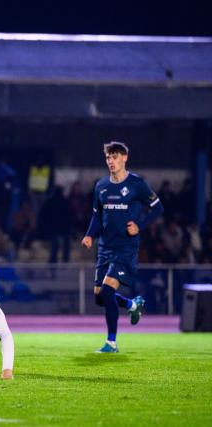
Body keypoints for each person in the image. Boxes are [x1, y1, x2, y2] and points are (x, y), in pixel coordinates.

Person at [82, 141, 164, 353]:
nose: (111, 161)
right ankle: (132, 305)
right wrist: (90, 235)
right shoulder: (101, 186)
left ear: (125, 158)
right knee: (100, 297)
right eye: (108, 157)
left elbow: (158, 208)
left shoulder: (137, 184)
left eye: (115, 156)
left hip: (126, 248)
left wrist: (140, 225)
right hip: (104, 247)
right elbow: (97, 216)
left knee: (108, 290)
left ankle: (111, 342)